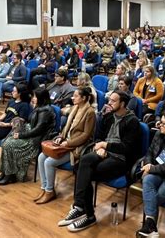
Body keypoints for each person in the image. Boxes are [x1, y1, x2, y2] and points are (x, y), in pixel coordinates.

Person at [58, 90, 140, 232]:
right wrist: (100, 146)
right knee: (81, 164)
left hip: (120, 159)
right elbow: (98, 137)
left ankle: (86, 212)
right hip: (103, 152)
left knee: (85, 173)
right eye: (110, 100)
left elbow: (127, 148)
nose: (109, 103)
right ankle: (80, 207)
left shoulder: (132, 121)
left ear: (123, 104)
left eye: (113, 101)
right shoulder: (108, 116)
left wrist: (106, 146)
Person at [37, 87, 96, 204]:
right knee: (41, 157)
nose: (73, 98)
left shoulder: (90, 112)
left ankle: (50, 191)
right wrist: (61, 137)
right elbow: (66, 128)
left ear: (84, 98)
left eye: (76, 96)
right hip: (65, 143)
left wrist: (68, 142)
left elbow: (86, 135)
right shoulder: (75, 108)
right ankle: (44, 188)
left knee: (49, 162)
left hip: (76, 147)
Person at [0, 88, 56, 185]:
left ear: (41, 98)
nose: (33, 98)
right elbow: (31, 123)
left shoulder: (46, 111)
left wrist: (21, 135)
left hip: (35, 140)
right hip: (31, 134)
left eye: (35, 96)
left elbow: (38, 130)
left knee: (9, 145)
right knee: (6, 142)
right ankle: (5, 172)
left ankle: (11, 175)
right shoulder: (38, 107)